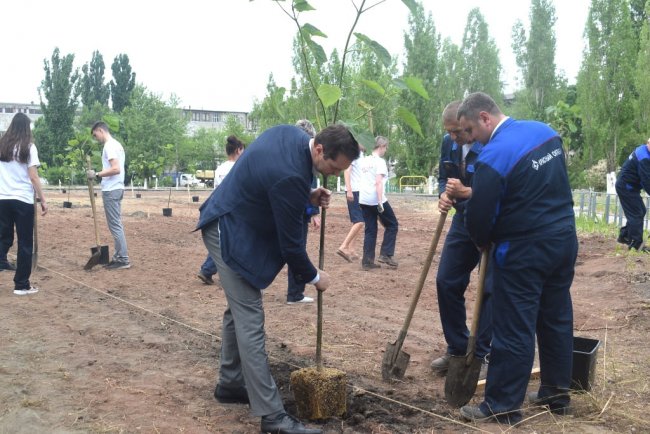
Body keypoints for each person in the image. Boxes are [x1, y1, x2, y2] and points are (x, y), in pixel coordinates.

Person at [196, 124, 359, 434]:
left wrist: (307, 195)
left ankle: (230, 384)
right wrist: (314, 277)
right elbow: (291, 247)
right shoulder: (290, 176)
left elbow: (276, 185)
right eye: (333, 168)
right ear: (320, 150)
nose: (334, 175)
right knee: (250, 318)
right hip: (227, 230)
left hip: (237, 219)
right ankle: (272, 417)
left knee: (239, 310)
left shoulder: (294, 137)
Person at [457, 92, 577, 424]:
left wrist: (481, 242)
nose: (470, 139)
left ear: (485, 118)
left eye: (470, 131)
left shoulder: (494, 155)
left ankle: (502, 405)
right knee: (555, 317)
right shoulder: (545, 132)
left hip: (524, 249)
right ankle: (556, 393)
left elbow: (480, 216)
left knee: (514, 326)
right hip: (564, 239)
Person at [430, 101, 491, 379]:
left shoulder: (489, 143)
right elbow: (444, 177)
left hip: (488, 221)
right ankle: (457, 346)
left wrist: (470, 191)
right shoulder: (449, 142)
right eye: (450, 133)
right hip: (461, 221)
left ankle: (481, 352)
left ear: (469, 123)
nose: (454, 138)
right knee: (446, 280)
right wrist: (444, 194)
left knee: (490, 287)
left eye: (458, 131)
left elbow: (497, 186)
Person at [0, 113, 48, 295]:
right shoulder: (29, 147)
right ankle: (21, 285)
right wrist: (43, 199)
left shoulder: (2, 145)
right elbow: (33, 176)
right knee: (25, 242)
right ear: (26, 128)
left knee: (4, 238)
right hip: (22, 200)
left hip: (3, 199)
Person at [197, 135, 246, 285]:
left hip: (219, 208)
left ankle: (208, 270)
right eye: (243, 150)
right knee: (232, 241)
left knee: (224, 240)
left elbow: (216, 190)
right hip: (235, 209)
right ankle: (208, 269)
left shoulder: (220, 169)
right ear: (238, 150)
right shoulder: (240, 167)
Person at [286, 119, 320, 304]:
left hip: (281, 210)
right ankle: (295, 294)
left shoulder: (286, 153)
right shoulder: (306, 156)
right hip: (296, 212)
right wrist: (313, 212)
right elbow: (308, 187)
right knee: (296, 250)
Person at [87, 121, 130, 270]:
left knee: (115, 225)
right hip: (117, 188)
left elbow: (116, 169)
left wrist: (97, 174)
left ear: (100, 130)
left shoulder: (109, 146)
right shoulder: (117, 144)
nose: (95, 138)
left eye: (95, 134)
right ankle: (119, 256)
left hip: (111, 190)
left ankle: (123, 259)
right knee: (117, 224)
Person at [358, 136, 399, 271]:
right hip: (376, 199)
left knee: (370, 230)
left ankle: (367, 261)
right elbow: (378, 182)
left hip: (363, 199)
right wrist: (380, 201)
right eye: (385, 147)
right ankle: (386, 254)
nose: (385, 150)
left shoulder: (364, 160)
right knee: (392, 224)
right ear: (381, 147)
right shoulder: (380, 162)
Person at [615, 138, 650, 252]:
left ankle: (624, 235)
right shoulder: (644, 158)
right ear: (648, 143)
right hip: (627, 187)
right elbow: (646, 181)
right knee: (637, 213)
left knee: (641, 210)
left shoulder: (643, 150)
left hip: (629, 187)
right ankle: (636, 245)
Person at [336, 143, 366, 263]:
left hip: (359, 191)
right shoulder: (354, 155)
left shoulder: (362, 155)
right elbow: (347, 171)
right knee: (359, 221)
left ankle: (352, 250)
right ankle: (344, 246)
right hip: (354, 190)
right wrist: (349, 190)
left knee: (358, 222)